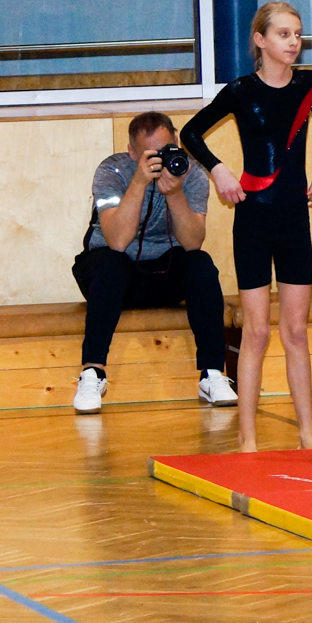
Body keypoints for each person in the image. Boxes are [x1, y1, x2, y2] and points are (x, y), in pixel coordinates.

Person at [182, 1, 312, 453]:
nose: (294, 42)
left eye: (298, 34)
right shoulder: (241, 91)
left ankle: (307, 433)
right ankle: (247, 438)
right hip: (252, 219)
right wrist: (218, 170)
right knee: (256, 331)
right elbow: (191, 133)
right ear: (260, 40)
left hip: (294, 219)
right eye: (284, 34)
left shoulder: (309, 84)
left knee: (296, 331)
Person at [71, 113, 238, 412]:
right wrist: (138, 182)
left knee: (201, 264)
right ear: (132, 152)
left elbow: (192, 242)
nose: (161, 159)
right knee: (111, 264)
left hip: (165, 271)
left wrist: (174, 193)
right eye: (151, 154)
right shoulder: (113, 171)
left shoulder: (191, 172)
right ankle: (93, 373)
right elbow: (117, 241)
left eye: (167, 149)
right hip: (111, 274)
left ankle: (212, 374)